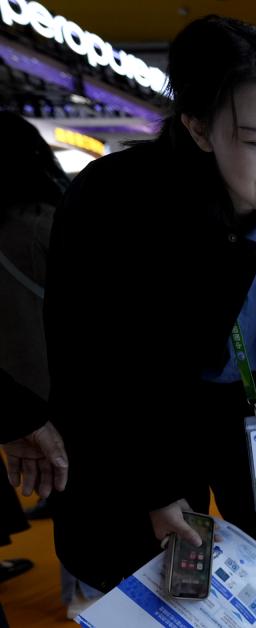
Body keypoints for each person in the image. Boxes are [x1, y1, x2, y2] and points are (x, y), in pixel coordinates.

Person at [45, 16, 256, 627]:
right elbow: (94, 358)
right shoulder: (119, 202)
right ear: (197, 127)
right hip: (157, 425)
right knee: (177, 586)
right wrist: (155, 487)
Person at [0, 112, 74, 623]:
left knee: (59, 487)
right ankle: (87, 586)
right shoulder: (50, 221)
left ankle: (80, 588)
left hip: (13, 393)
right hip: (68, 382)